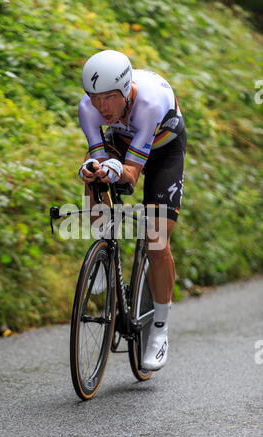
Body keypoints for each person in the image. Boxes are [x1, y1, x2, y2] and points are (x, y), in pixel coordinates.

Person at [78, 50, 187, 370]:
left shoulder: (149, 104)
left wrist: (117, 170)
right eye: (94, 98)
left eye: (109, 98)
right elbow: (99, 156)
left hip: (164, 149)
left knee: (157, 238)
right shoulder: (88, 108)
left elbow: (131, 175)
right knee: (92, 177)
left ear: (126, 90)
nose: (101, 108)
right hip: (125, 141)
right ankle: (103, 254)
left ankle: (160, 330)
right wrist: (95, 168)